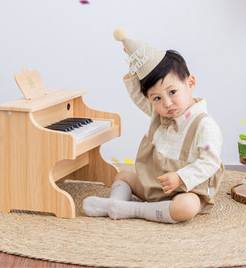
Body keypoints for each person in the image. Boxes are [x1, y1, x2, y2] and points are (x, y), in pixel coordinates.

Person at [82, 28, 224, 224]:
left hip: (185, 190)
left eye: (172, 92)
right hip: (154, 186)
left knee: (188, 207)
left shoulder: (204, 125)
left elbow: (210, 162)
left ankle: (133, 209)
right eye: (157, 98)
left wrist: (180, 177)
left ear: (190, 83)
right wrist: (135, 67)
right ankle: (116, 204)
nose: (167, 103)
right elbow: (138, 96)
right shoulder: (160, 114)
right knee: (122, 177)